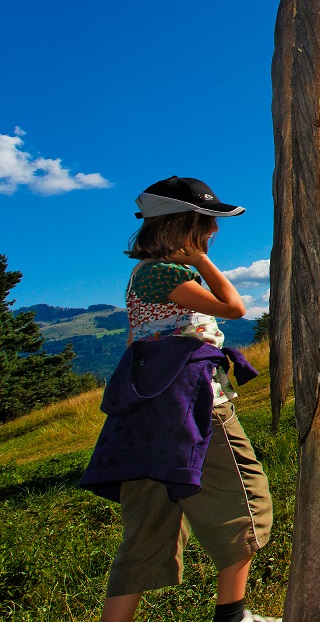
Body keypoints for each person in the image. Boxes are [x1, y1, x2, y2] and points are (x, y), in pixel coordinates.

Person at [81, 177, 278, 622]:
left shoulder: (140, 276)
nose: (213, 231)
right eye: (206, 223)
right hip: (192, 405)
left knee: (150, 525)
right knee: (245, 498)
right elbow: (233, 308)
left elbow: (136, 341)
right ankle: (232, 615)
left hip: (149, 410)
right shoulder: (167, 273)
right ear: (180, 227)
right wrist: (205, 263)